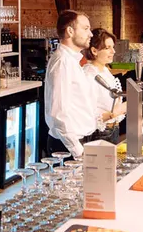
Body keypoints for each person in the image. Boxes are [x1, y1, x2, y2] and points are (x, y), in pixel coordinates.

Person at [44, 10, 97, 160]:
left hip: (76, 142)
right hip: (67, 146)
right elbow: (58, 113)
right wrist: (78, 151)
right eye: (86, 28)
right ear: (70, 31)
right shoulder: (63, 62)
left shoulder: (72, 60)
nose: (91, 34)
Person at [82, 28, 127, 143]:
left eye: (113, 47)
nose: (113, 51)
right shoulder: (89, 75)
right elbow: (88, 114)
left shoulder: (104, 70)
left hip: (112, 129)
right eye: (108, 48)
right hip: (101, 133)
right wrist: (116, 112)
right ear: (94, 51)